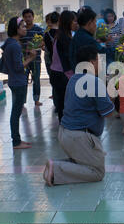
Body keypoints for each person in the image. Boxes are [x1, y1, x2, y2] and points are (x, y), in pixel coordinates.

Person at [43, 45, 115, 186]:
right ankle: (56, 168)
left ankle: (54, 166)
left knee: (83, 163)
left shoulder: (74, 79)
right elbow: (108, 113)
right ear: (92, 62)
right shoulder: (94, 82)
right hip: (79, 136)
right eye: (99, 60)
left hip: (66, 133)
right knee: (97, 172)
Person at [1, 17, 37, 149]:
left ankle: (17, 140)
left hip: (14, 80)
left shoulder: (10, 43)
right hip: (18, 81)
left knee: (16, 111)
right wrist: (31, 58)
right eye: (22, 26)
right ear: (16, 29)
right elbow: (18, 67)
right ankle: (16, 141)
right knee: (16, 112)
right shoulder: (15, 45)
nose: (25, 28)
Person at [51, 10, 77, 121]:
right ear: (68, 22)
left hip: (57, 73)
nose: (76, 23)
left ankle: (64, 127)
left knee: (62, 104)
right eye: (74, 21)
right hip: (62, 75)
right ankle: (65, 128)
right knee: (64, 104)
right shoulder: (64, 38)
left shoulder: (62, 35)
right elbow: (67, 60)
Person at [21, 8, 44, 106]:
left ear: (33, 17)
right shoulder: (22, 30)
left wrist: (34, 46)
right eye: (26, 17)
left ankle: (36, 100)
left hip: (36, 59)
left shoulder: (38, 30)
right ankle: (22, 101)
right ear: (23, 18)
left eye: (29, 16)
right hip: (24, 60)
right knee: (23, 81)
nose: (28, 19)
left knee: (36, 80)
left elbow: (43, 42)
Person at [43, 12, 59, 104]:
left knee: (54, 81)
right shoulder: (63, 33)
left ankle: (56, 103)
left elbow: (48, 48)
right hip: (58, 62)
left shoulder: (47, 34)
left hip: (51, 61)